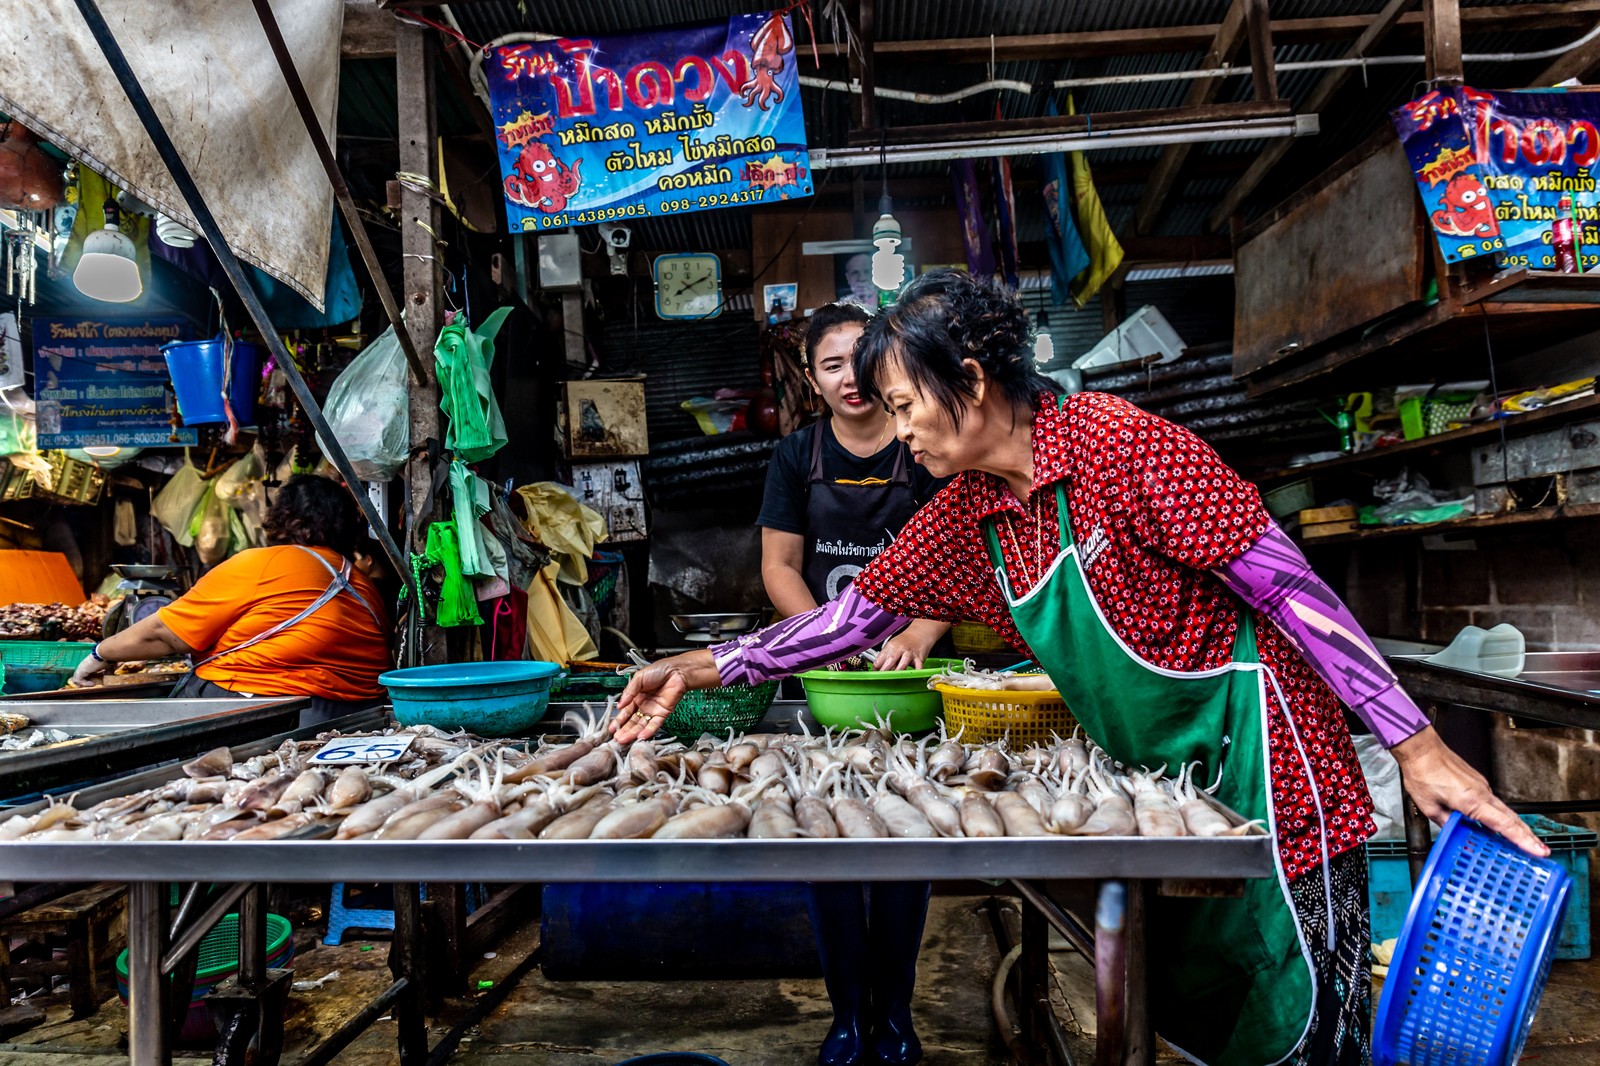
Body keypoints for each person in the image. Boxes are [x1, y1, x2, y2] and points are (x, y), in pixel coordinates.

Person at [613, 271, 1544, 1066]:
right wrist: (703, 667)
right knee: (1199, 1015)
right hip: (1169, 794)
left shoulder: (1118, 445)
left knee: (1301, 1022)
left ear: (970, 384)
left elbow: (1288, 586)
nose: (901, 435)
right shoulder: (968, 514)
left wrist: (1416, 745)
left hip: (1270, 769)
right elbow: (855, 617)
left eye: (905, 406)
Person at [756, 302, 950, 1066]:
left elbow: (959, 559)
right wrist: (822, 644)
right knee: (828, 841)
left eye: (859, 360)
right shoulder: (795, 456)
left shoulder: (922, 443)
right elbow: (778, 567)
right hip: (829, 680)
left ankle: (896, 1019)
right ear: (812, 377)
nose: (849, 378)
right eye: (830, 364)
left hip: (911, 676)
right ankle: (846, 1020)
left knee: (906, 843)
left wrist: (915, 634)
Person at [70, 474, 393, 727]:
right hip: (356, 713)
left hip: (269, 707)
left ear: (282, 517)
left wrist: (100, 654)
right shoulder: (360, 584)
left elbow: (162, 633)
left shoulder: (264, 563)